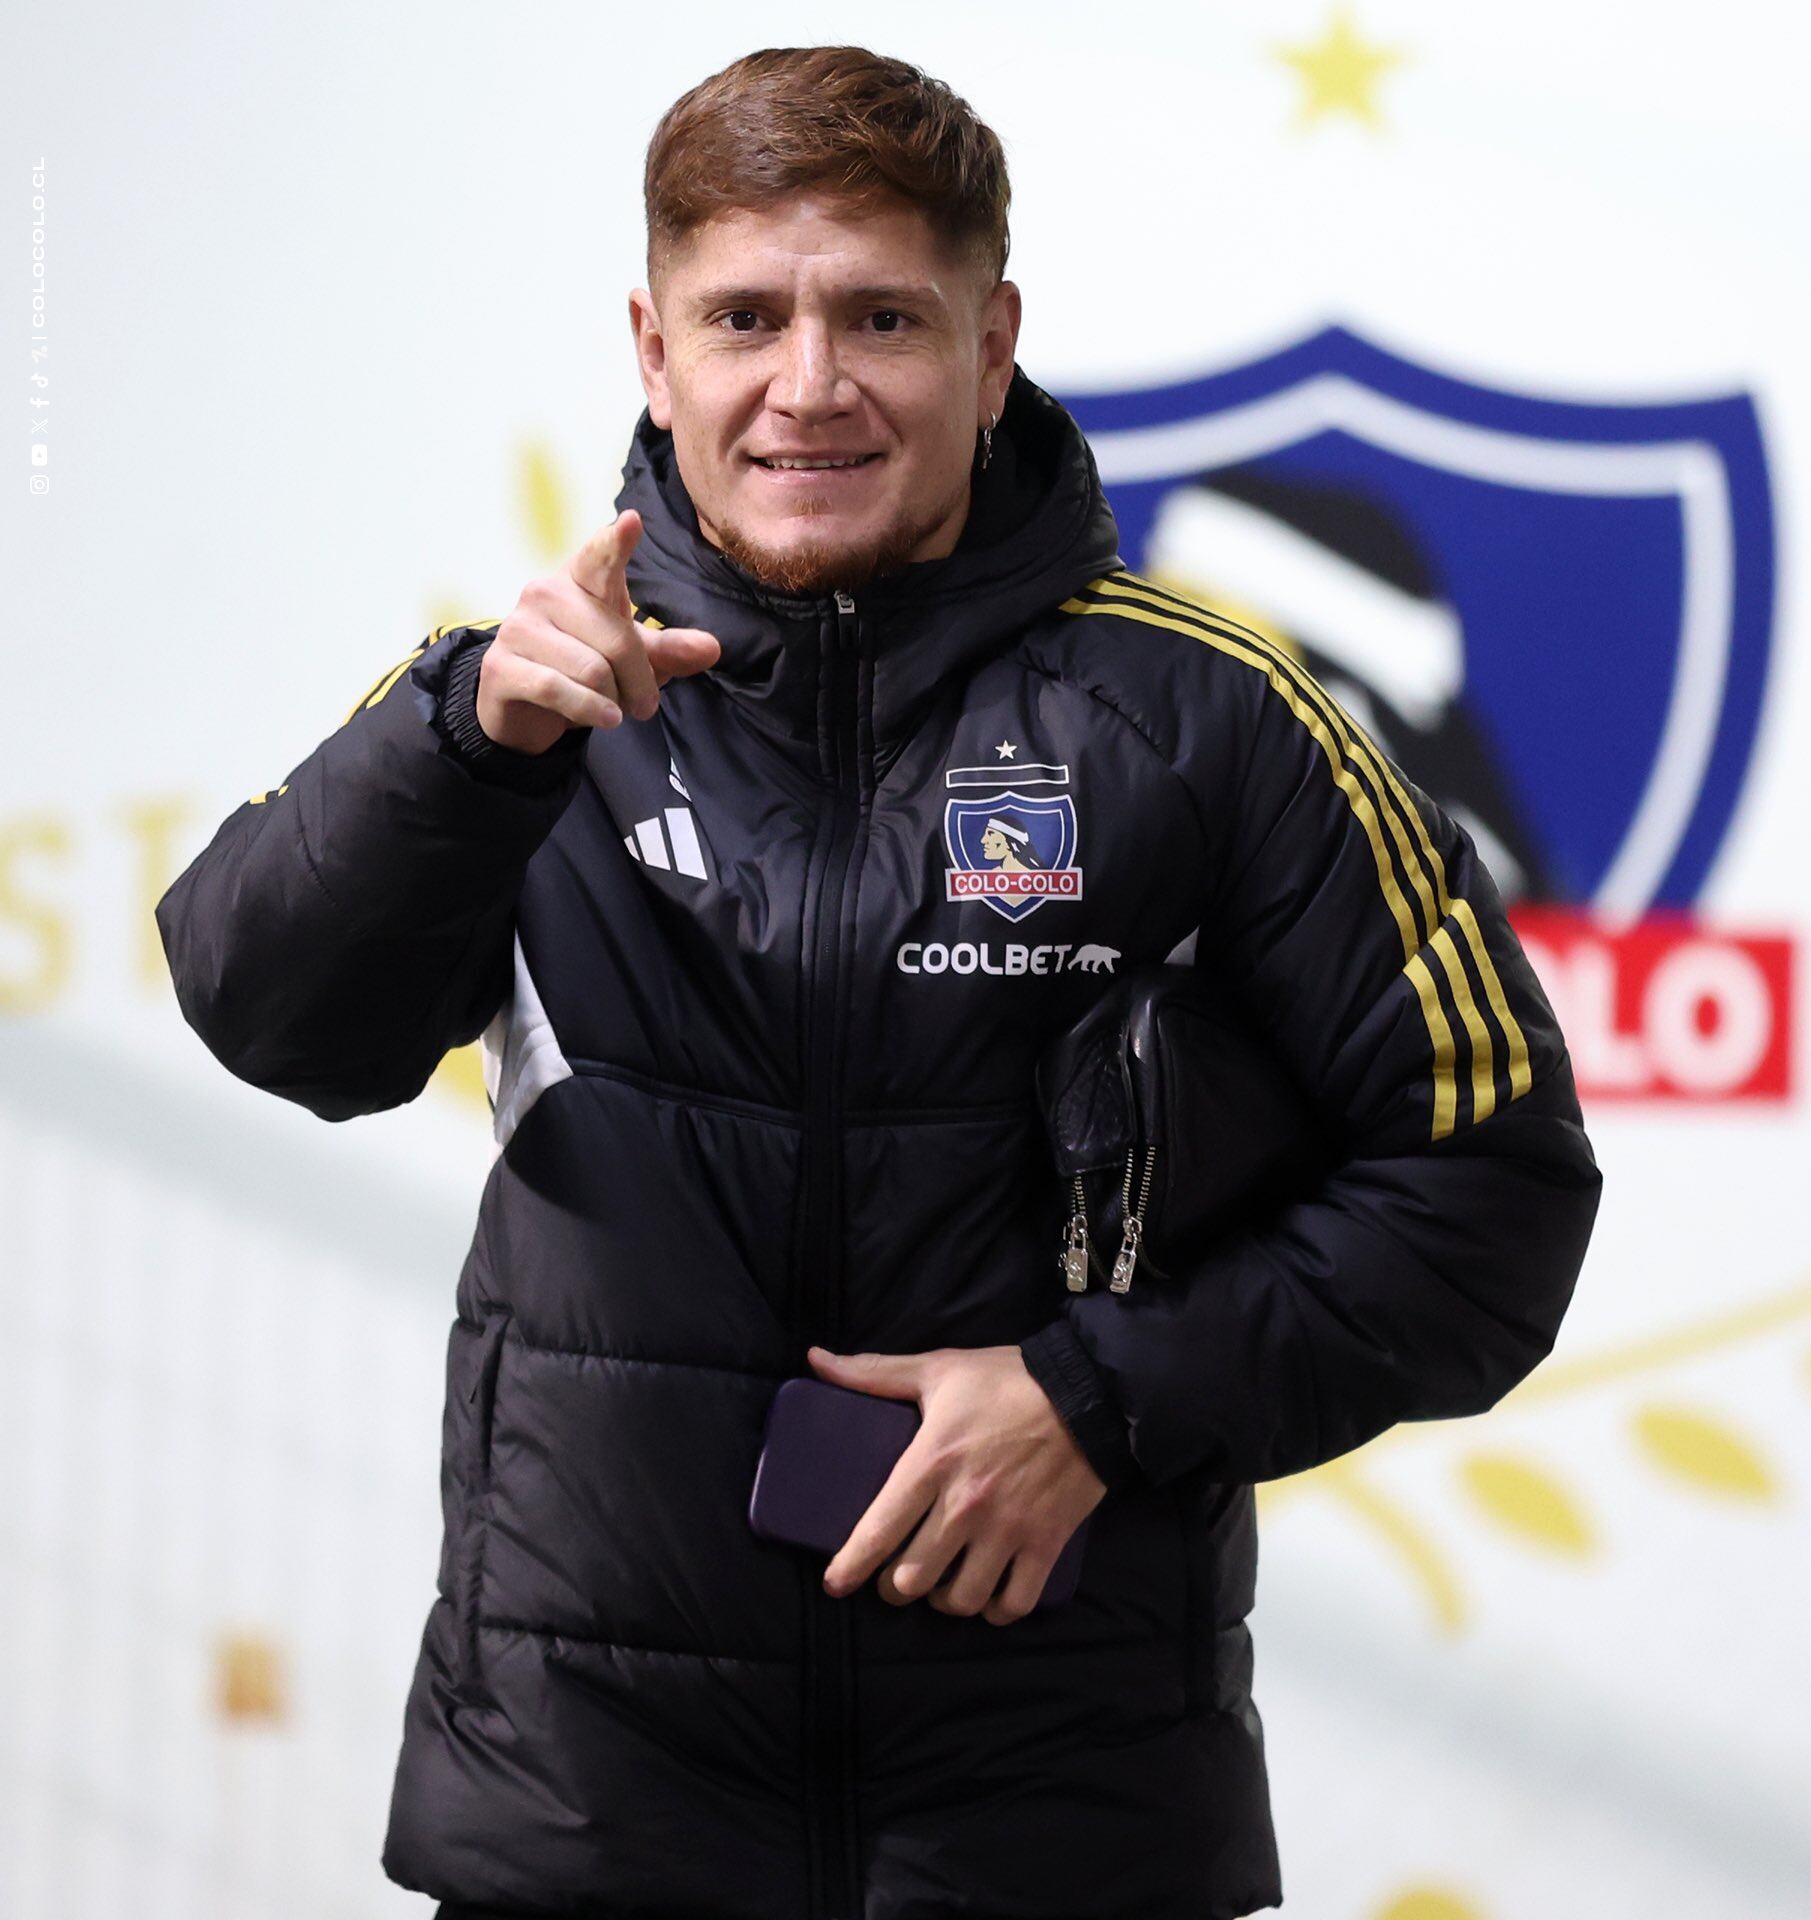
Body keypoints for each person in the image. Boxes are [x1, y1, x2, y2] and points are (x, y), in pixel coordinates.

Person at [154, 43, 1603, 1920]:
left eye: (881, 318)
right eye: (744, 316)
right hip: (589, 1813)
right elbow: (269, 1016)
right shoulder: (523, 704)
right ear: (652, 349)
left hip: (1053, 1827)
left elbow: (1493, 1195)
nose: (809, 385)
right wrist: (464, 745)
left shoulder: (1217, 719)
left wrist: (1102, 1396)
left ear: (992, 345)